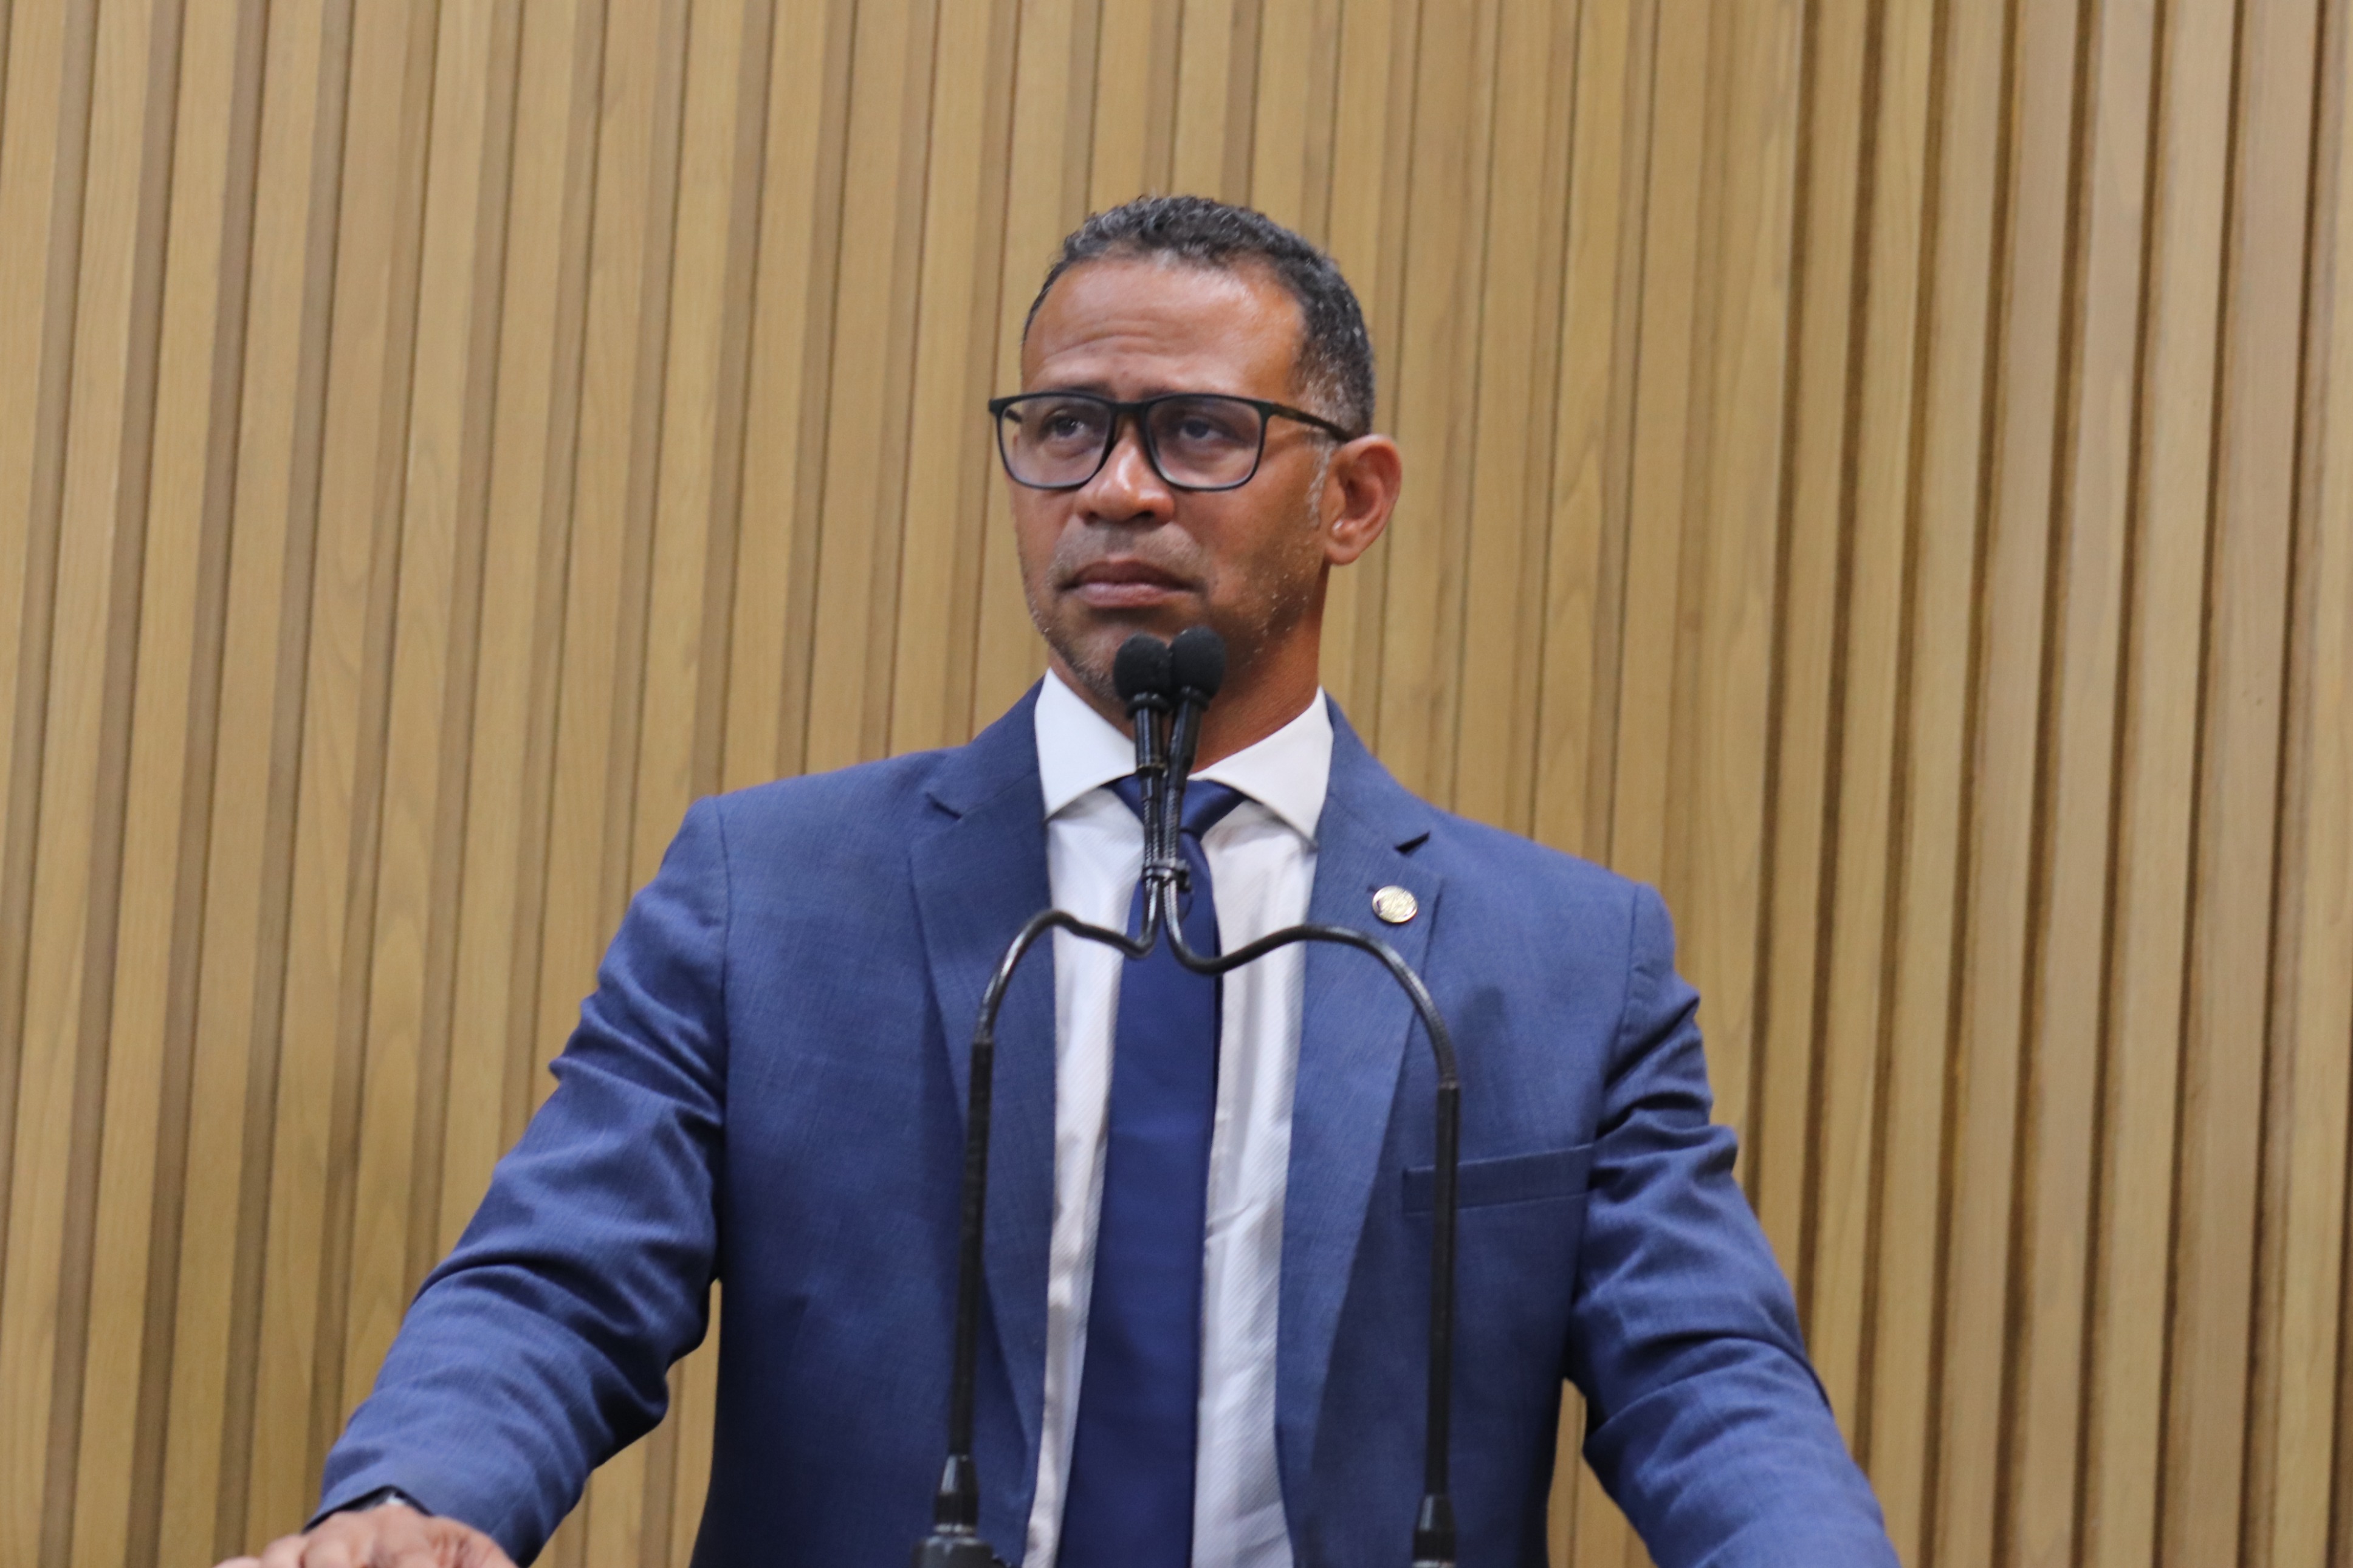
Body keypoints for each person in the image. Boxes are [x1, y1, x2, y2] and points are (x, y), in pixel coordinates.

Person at [224, 196, 1895, 1568]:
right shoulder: (772, 897)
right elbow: (559, 1281)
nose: (1116, 488)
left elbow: (1704, 1378)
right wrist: (416, 1501)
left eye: (1200, 433)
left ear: (1353, 498)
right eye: (1067, 429)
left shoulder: (1562, 960)